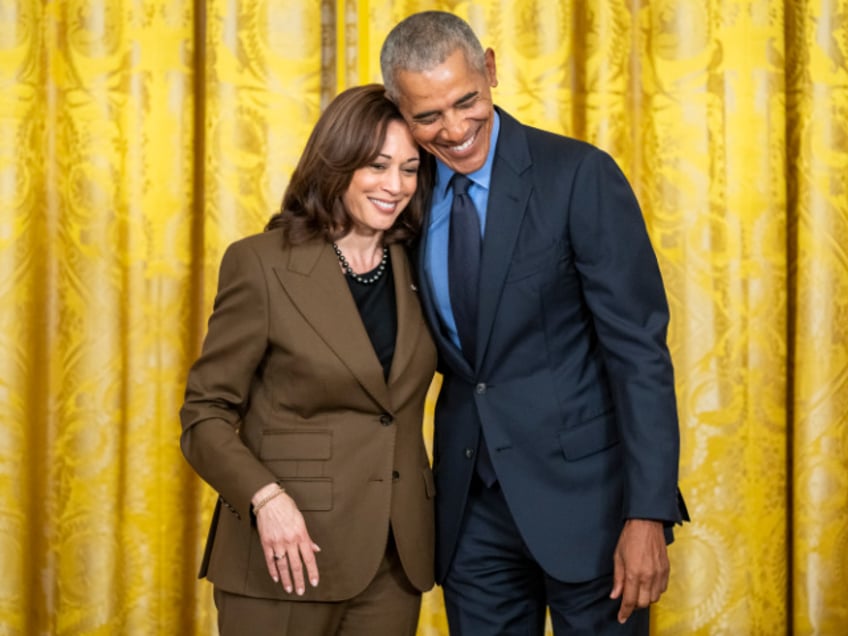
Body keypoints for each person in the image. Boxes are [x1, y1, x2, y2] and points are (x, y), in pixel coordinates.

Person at [380, 11, 689, 635]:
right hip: (471, 517)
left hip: (592, 512)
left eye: (466, 101)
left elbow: (639, 353)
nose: (455, 128)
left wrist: (648, 515)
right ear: (399, 110)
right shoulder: (403, 194)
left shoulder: (578, 175)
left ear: (491, 69)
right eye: (428, 116)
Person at [179, 83, 438, 636]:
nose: (395, 186)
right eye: (377, 165)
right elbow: (204, 416)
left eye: (410, 169)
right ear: (337, 163)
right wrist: (265, 499)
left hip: (395, 560)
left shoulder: (425, 264)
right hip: (286, 554)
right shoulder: (261, 264)